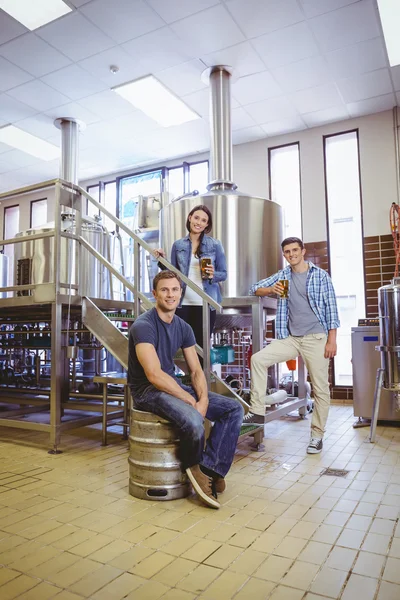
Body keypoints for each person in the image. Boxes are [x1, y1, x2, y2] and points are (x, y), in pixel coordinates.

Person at [128, 270, 244, 509]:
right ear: (155, 294)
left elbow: (196, 371)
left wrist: (201, 399)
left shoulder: (183, 327)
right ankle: (194, 468)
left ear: (181, 293)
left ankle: (211, 469)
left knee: (232, 409)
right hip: (147, 392)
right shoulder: (143, 325)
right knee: (193, 419)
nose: (170, 295)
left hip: (171, 386)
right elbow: (154, 374)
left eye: (174, 290)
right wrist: (191, 403)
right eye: (164, 290)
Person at [244, 237, 340, 455]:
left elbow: (332, 310)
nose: (291, 254)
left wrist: (332, 340)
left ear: (303, 251)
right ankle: (257, 412)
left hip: (316, 338)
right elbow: (254, 288)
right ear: (284, 255)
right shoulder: (284, 275)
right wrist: (270, 291)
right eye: (287, 252)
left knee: (320, 389)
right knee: (258, 359)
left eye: (295, 250)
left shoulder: (320, 276)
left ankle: (316, 436)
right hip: (291, 338)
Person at [154, 205, 227, 351]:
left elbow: (223, 273)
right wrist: (162, 260)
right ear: (190, 218)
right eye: (196, 218)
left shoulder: (215, 244)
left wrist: (213, 275)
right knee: (182, 346)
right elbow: (172, 274)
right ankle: (183, 374)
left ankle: (200, 374)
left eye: (203, 220)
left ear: (207, 224)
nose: (199, 222)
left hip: (206, 303)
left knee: (201, 348)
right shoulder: (178, 245)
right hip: (183, 302)